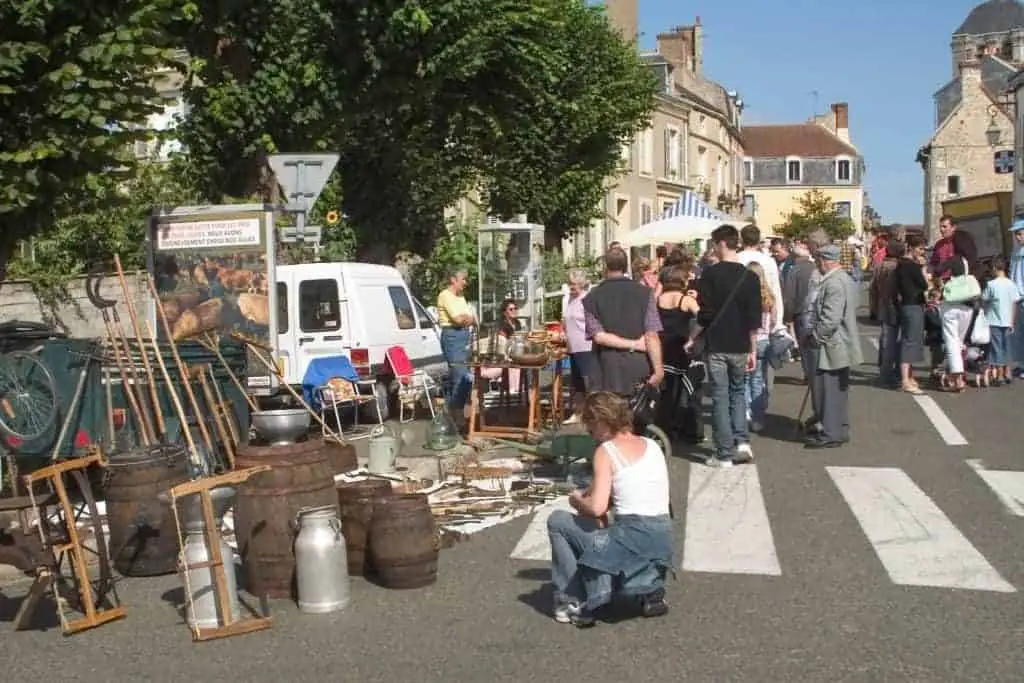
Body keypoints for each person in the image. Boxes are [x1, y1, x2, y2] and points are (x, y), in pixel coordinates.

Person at [546, 392, 673, 628]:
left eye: (591, 427)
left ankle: (574, 601)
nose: (590, 434)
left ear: (602, 423)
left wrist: (576, 501)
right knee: (611, 530)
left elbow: (596, 508)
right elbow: (632, 493)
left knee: (558, 521)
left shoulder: (606, 451)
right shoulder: (652, 446)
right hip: (660, 542)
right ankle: (649, 589)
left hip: (632, 535)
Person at [684, 224, 761, 467]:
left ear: (721, 244)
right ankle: (742, 442)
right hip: (740, 344)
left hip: (717, 344)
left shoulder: (710, 275)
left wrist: (693, 337)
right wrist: (753, 349)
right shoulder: (750, 277)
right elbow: (753, 319)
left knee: (720, 396)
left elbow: (704, 314)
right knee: (738, 393)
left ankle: (724, 452)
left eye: (714, 244)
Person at [584, 247, 664, 395]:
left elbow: (599, 336)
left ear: (605, 267)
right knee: (637, 414)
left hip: (606, 369)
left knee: (607, 415)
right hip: (637, 366)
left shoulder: (592, 297)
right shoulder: (645, 294)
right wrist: (658, 370)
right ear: (626, 266)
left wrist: (632, 345)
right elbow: (651, 335)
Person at [804, 244, 862, 449]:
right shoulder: (844, 279)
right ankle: (838, 427)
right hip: (839, 342)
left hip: (831, 344)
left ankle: (830, 432)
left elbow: (830, 319)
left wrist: (815, 336)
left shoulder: (833, 283)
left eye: (819, 260)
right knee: (837, 389)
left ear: (826, 260)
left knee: (827, 389)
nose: (817, 264)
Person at [656, 265, 703, 443]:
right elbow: (702, 318)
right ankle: (688, 428)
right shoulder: (686, 300)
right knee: (686, 389)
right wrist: (693, 337)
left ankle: (665, 427)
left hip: (662, 346)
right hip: (681, 345)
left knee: (665, 390)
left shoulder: (658, 299)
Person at [436, 266, 475, 422]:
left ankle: (456, 412)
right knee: (459, 376)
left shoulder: (461, 296)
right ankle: (455, 414)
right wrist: (465, 318)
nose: (465, 282)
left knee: (467, 376)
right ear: (453, 280)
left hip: (464, 335)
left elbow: (471, 318)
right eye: (463, 279)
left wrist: (466, 317)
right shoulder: (445, 296)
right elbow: (458, 319)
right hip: (452, 336)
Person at [893, 236, 929, 394]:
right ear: (912, 248)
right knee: (910, 341)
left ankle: (909, 376)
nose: (922, 253)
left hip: (906, 305)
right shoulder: (912, 266)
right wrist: (923, 269)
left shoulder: (900, 265)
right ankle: (905, 379)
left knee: (910, 340)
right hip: (913, 304)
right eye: (920, 249)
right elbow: (923, 284)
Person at [745, 262, 777, 432]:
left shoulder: (746, 296)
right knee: (759, 379)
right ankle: (758, 417)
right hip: (765, 340)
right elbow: (773, 321)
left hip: (749, 340)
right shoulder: (769, 297)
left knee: (745, 380)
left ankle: (745, 413)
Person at [980, 255, 1020, 385]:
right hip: (1008, 321)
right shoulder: (1011, 284)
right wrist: (1013, 321)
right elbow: (1015, 303)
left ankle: (999, 374)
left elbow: (984, 299)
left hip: (994, 320)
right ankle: (1007, 371)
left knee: (996, 347)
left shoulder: (991, 284)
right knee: (1006, 347)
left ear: (994, 268)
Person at [737, 225, 785, 329]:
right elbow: (775, 290)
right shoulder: (769, 261)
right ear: (758, 240)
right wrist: (778, 322)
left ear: (741, 239)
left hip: (740, 314)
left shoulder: (736, 259)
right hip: (764, 314)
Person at [871, 239, 905, 388]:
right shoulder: (898, 267)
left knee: (887, 340)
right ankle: (895, 371)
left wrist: (873, 308)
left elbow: (873, 289)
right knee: (898, 341)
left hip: (883, 305)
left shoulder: (879, 266)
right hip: (897, 306)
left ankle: (885, 371)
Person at [561, 269, 592, 423]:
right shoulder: (570, 299)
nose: (571, 287)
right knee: (577, 383)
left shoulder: (587, 299)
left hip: (586, 346)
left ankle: (590, 413)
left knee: (587, 382)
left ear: (581, 283)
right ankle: (578, 413)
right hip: (573, 347)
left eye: (573, 284)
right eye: (570, 284)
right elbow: (566, 320)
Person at [930, 214, 978, 280]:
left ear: (953, 227)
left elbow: (970, 260)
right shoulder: (938, 244)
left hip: (960, 279)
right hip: (943, 281)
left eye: (944, 227)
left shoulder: (962, 241)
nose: (941, 229)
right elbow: (933, 263)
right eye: (940, 227)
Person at [1009, 218, 1024, 377]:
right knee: (1018, 333)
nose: (1018, 237)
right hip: (1016, 298)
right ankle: (1020, 364)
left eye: (1020, 233)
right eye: (1016, 234)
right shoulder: (1016, 252)